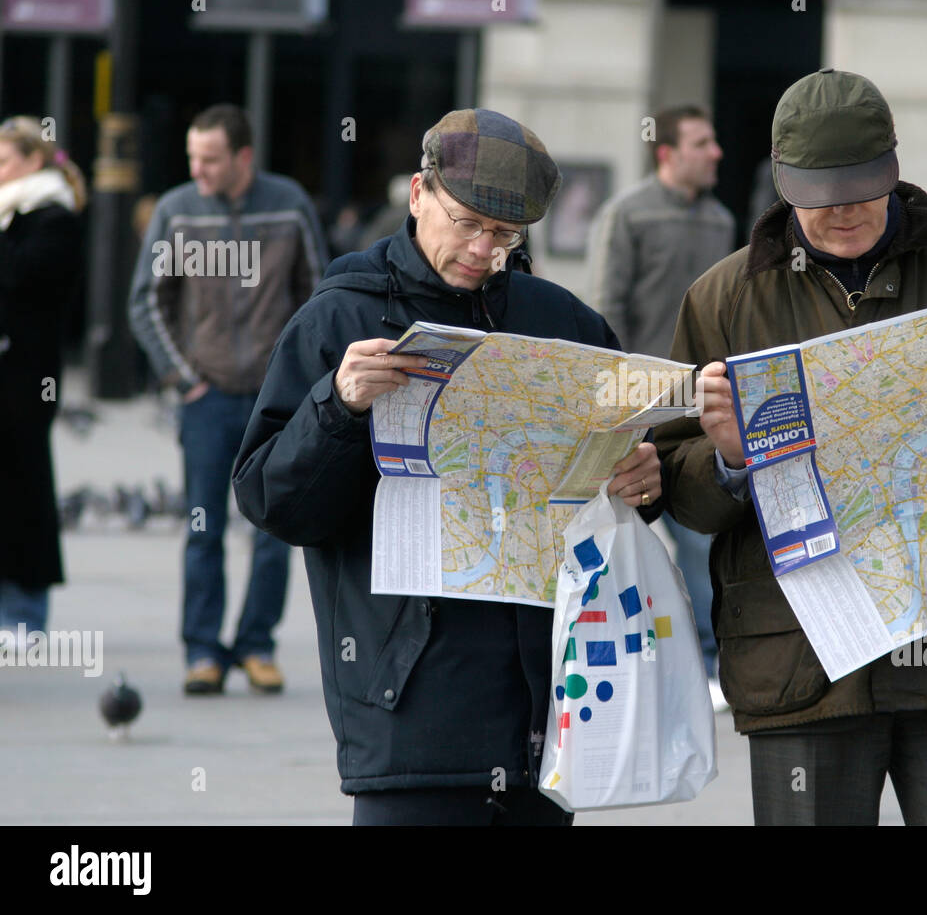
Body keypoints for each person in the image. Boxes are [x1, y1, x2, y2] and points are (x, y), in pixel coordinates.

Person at [654, 68, 927, 826]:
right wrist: (728, 460)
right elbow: (676, 493)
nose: (844, 212)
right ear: (784, 184)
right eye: (820, 197)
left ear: (893, 165)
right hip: (803, 667)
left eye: (861, 188)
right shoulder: (723, 298)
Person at [231, 108, 664, 826]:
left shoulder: (565, 324)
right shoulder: (340, 318)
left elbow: (622, 485)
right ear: (416, 195)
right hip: (408, 721)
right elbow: (273, 503)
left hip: (543, 721)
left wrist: (646, 481)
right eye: (465, 222)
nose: (481, 250)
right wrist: (337, 407)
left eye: (503, 235)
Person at [127, 104, 329, 695]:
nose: (199, 169)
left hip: (275, 401)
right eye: (193, 156)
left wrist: (299, 380)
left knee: (274, 530)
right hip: (206, 397)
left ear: (244, 157)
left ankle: (257, 645)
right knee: (202, 527)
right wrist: (183, 377)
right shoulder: (177, 209)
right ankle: (201, 651)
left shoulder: (288, 203)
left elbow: (319, 297)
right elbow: (146, 302)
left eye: (210, 158)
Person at [588, 104, 734, 706]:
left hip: (701, 412)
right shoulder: (627, 213)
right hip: (636, 413)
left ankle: (708, 662)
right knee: (619, 541)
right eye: (703, 142)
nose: (717, 151)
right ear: (667, 152)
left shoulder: (723, 221)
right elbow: (605, 312)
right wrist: (616, 406)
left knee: (703, 541)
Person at [0, 116, 87, 640]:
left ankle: (25, 612)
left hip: (27, 379)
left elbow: (24, 281)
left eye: (5, 160)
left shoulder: (52, 216)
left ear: (33, 160)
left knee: (24, 488)